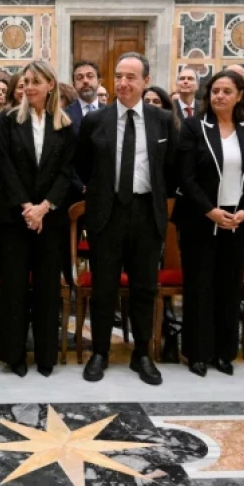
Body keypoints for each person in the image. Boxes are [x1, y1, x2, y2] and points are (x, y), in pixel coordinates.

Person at [76, 52, 178, 385]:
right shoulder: (96, 121)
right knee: (104, 287)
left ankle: (143, 354)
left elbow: (171, 168)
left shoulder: (162, 120)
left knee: (144, 288)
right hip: (107, 214)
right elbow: (83, 167)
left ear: (146, 81)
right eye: (119, 76)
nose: (123, 83)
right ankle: (101, 352)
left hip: (147, 213)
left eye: (131, 77)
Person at [173, 70, 244, 377]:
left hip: (238, 219)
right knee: (199, 285)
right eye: (215, 91)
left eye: (227, 91)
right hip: (200, 218)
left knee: (229, 287)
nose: (220, 96)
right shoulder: (194, 127)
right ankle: (197, 352)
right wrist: (209, 210)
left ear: (240, 95)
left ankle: (223, 352)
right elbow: (185, 176)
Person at [0, 61, 75, 377]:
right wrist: (28, 207)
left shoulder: (65, 124)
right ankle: (14, 355)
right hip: (15, 217)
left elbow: (67, 171)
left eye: (36, 81)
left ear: (50, 85)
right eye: (25, 81)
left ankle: (45, 355)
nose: (28, 86)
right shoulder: (6, 121)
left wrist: (45, 207)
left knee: (46, 287)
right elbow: (3, 168)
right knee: (14, 285)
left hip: (50, 218)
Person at [65, 60, 102, 136]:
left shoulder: (111, 114)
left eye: (90, 76)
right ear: (74, 85)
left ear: (99, 82)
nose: (85, 81)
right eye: (80, 77)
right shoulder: (65, 115)